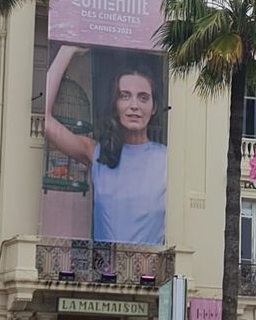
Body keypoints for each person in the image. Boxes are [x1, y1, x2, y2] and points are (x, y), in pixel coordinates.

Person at [43, 45, 167, 245]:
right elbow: (45, 121)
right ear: (114, 103)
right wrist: (66, 51)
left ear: (153, 107)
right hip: (104, 273)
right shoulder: (95, 152)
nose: (134, 105)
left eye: (143, 97)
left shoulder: (167, 159)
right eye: (125, 96)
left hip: (152, 273)